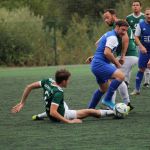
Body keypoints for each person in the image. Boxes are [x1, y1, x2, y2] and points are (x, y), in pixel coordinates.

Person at [11, 69, 114, 123]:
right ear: (64, 81)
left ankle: (39, 116)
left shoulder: (48, 81)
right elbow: (53, 112)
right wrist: (70, 122)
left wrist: (22, 103)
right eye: (68, 80)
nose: (69, 82)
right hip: (61, 115)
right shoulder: (58, 92)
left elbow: (29, 86)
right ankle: (114, 112)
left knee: (59, 104)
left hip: (51, 109)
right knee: (90, 111)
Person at [88, 10, 135, 110]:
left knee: (103, 89)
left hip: (96, 64)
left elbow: (99, 45)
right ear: (117, 27)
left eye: (126, 31)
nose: (124, 32)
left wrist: (94, 57)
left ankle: (90, 109)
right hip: (100, 64)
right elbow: (107, 53)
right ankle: (108, 100)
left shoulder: (109, 34)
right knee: (121, 76)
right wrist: (117, 62)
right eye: (122, 30)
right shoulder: (113, 37)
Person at [126, 0, 150, 87]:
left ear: (140, 7)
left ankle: (146, 82)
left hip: (143, 43)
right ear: (132, 7)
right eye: (133, 5)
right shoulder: (128, 18)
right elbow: (126, 30)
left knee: (146, 63)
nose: (135, 7)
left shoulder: (145, 16)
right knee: (129, 62)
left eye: (137, 5)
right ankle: (126, 82)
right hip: (132, 43)